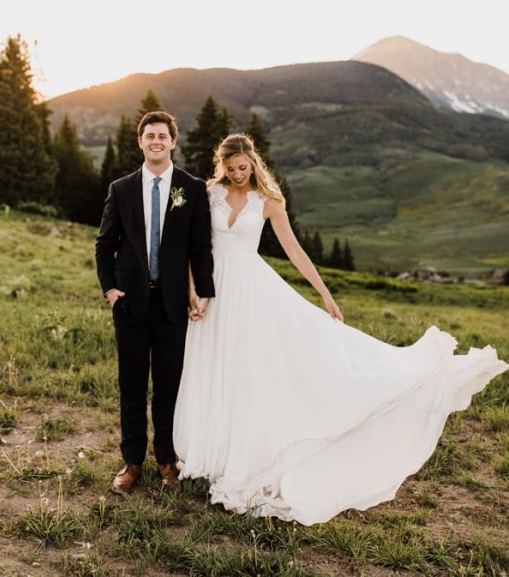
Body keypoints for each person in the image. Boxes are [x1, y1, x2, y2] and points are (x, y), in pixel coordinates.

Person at [173, 133, 508, 526]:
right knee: (212, 364)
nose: (238, 174)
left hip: (251, 291)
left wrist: (325, 293)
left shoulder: (269, 202)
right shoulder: (208, 193)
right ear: (222, 165)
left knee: (251, 367)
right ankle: (207, 446)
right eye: (231, 169)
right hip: (214, 291)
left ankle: (242, 448)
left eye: (244, 168)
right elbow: (194, 244)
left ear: (254, 163)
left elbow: (295, 250)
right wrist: (194, 288)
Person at [96, 110, 214, 494]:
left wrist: (205, 292)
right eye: (149, 136)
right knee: (131, 386)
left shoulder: (191, 188)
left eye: (162, 135)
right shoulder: (122, 188)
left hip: (172, 306)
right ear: (140, 141)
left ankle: (166, 459)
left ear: (173, 141)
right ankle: (132, 461)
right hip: (130, 305)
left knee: (168, 386)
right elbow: (104, 245)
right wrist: (110, 291)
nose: (156, 141)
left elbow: (200, 246)